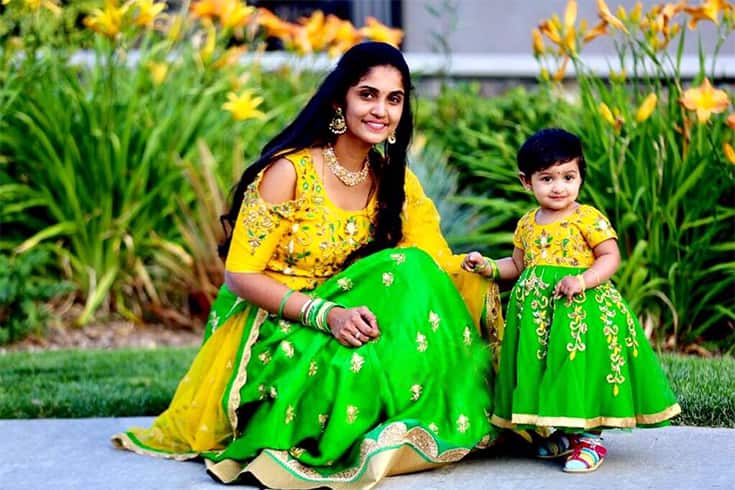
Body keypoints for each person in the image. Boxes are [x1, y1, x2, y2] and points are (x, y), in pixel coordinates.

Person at [113, 42, 504, 488]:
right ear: (340, 101)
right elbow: (239, 275)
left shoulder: (394, 181)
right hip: (279, 325)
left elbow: (436, 266)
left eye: (394, 99)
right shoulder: (290, 173)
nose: (381, 110)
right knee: (357, 367)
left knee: (411, 271)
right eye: (368, 95)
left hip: (349, 318)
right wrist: (326, 314)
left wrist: (504, 271)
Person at [462, 128, 680, 473]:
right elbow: (518, 265)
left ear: (580, 176)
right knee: (546, 369)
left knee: (576, 365)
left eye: (568, 177)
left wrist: (582, 279)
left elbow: (610, 257)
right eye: (547, 178)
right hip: (537, 315)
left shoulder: (586, 218)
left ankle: (591, 437)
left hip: (579, 309)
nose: (558, 186)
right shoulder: (526, 224)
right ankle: (564, 432)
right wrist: (488, 266)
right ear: (526, 182)